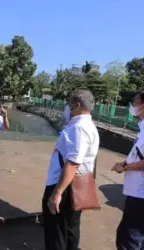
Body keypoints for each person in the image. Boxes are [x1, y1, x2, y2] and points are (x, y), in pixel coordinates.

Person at [42, 90, 99, 250]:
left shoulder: (79, 128)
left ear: (77, 105)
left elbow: (73, 163)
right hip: (75, 184)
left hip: (65, 185)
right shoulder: (86, 126)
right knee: (70, 228)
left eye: (69, 103)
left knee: (57, 231)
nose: (67, 107)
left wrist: (57, 193)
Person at [112, 89, 144, 250]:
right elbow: (142, 156)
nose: (132, 106)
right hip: (140, 193)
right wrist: (125, 163)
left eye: (135, 103)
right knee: (141, 234)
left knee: (128, 239)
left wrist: (125, 167)